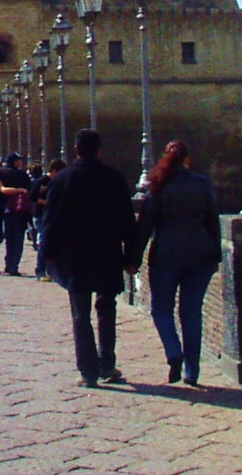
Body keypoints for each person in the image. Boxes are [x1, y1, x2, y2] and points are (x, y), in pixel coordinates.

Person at [40, 129, 139, 388]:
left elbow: (50, 222)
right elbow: (129, 222)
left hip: (75, 259)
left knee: (80, 315)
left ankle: (88, 371)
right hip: (107, 255)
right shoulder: (114, 178)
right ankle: (107, 364)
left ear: (76, 149)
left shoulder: (62, 179)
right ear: (99, 149)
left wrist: (47, 256)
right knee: (107, 311)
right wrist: (132, 256)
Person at [136, 140, 222, 387]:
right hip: (200, 257)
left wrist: (133, 259)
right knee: (191, 313)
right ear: (188, 160)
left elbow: (145, 226)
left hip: (166, 257)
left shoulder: (159, 186)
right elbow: (212, 222)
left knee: (161, 309)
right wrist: (216, 255)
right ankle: (192, 371)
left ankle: (174, 351)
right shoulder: (202, 184)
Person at [0, 153, 32, 276]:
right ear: (15, 162)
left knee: (9, 239)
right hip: (20, 211)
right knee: (18, 240)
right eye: (19, 160)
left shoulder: (1, 173)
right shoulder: (22, 174)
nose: (20, 162)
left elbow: (0, 190)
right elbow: (29, 191)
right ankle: (14, 266)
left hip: (6, 211)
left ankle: (8, 263)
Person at [30, 158, 65, 279]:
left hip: (52, 216)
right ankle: (40, 271)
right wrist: (47, 202)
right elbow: (32, 196)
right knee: (44, 242)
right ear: (55, 170)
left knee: (51, 242)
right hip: (40, 215)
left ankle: (51, 271)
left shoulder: (59, 182)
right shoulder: (43, 181)